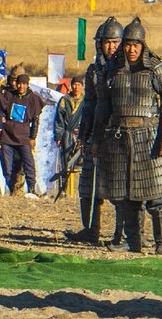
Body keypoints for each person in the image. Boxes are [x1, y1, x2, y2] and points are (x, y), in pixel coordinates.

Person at [93, 16, 162, 255]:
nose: (131, 49)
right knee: (125, 197)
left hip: (149, 136)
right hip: (119, 137)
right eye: (127, 44)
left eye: (135, 45)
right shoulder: (111, 70)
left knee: (157, 196)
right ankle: (133, 242)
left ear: (143, 45)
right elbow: (102, 107)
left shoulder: (157, 68)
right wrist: (97, 139)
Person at [67, 16, 124, 245]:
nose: (110, 47)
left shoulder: (127, 71)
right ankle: (91, 230)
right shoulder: (93, 71)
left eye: (114, 42)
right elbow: (89, 105)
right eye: (106, 42)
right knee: (88, 185)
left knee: (119, 190)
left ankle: (121, 235)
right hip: (95, 135)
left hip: (119, 135)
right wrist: (83, 136)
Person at [0, 73, 43, 197]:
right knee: (7, 167)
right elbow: (0, 110)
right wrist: (1, 118)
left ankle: (32, 189)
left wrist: (33, 137)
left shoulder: (33, 99)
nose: (21, 86)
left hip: (24, 137)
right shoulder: (9, 95)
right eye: (19, 83)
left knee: (29, 164)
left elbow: (36, 120)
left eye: (23, 84)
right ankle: (12, 189)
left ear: (27, 85)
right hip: (7, 137)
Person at [53, 75, 85, 195]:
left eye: (78, 85)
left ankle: (82, 191)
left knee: (82, 162)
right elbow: (59, 120)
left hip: (81, 135)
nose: (76, 87)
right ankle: (63, 190)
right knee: (64, 162)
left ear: (82, 86)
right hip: (67, 135)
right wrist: (58, 136)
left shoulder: (86, 101)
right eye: (74, 84)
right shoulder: (64, 100)